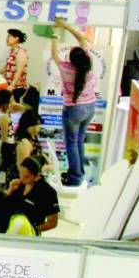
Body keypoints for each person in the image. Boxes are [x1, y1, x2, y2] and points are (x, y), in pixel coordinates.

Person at [53, 18, 97, 187]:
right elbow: (82, 39)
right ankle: (79, 173)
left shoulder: (66, 69)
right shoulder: (89, 64)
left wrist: (56, 34)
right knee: (79, 141)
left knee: (71, 143)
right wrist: (66, 26)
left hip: (73, 110)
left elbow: (54, 54)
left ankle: (75, 177)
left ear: (71, 60)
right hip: (90, 107)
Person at [7, 157, 60, 233]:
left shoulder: (47, 192)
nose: (22, 179)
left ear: (37, 176)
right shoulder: (18, 184)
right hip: (10, 226)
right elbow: (4, 205)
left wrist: (32, 230)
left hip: (30, 231)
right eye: (20, 174)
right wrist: (10, 189)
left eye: (26, 177)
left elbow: (52, 223)